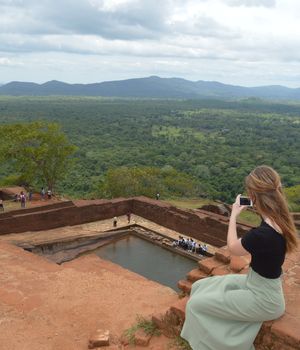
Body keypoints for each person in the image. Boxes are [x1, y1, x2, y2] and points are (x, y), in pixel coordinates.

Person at [181, 165, 298, 350]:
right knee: (200, 286)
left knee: (195, 305)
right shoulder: (278, 219)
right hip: (258, 284)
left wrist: (234, 214)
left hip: (264, 299)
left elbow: (233, 248)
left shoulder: (262, 234)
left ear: (253, 196)